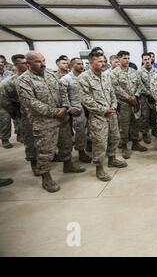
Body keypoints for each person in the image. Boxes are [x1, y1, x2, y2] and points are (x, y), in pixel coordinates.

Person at [17, 52, 85, 193]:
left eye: (43, 60)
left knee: (66, 143)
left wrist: (65, 107)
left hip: (62, 117)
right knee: (45, 151)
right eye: (37, 62)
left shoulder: (51, 74)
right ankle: (46, 177)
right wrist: (54, 111)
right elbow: (31, 103)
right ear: (28, 64)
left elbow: (62, 92)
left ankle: (68, 164)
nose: (42, 64)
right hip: (44, 121)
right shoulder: (23, 81)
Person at [78, 52, 127, 182]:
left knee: (115, 137)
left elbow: (112, 92)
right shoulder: (84, 77)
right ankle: (99, 168)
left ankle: (112, 158)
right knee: (100, 142)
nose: (103, 63)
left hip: (112, 113)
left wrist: (114, 106)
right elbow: (85, 99)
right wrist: (103, 109)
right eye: (100, 61)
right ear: (91, 62)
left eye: (104, 61)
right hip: (98, 116)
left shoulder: (106, 76)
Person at [110, 50, 147, 159]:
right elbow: (115, 88)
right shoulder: (114, 73)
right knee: (124, 125)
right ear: (119, 59)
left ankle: (135, 143)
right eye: (124, 58)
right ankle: (124, 145)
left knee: (136, 122)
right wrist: (128, 97)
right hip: (123, 103)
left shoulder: (133, 71)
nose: (127, 60)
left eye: (128, 58)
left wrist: (135, 96)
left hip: (135, 102)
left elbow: (140, 85)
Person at [59, 57, 92, 164]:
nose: (81, 66)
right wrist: (69, 108)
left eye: (82, 64)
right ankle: (81, 152)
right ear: (72, 65)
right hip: (76, 109)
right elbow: (63, 96)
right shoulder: (65, 79)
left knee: (88, 129)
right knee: (80, 132)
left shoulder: (86, 77)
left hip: (88, 107)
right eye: (78, 64)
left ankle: (88, 146)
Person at [138, 52, 157, 144]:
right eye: (145, 59)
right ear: (142, 60)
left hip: (155, 97)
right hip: (144, 97)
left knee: (154, 115)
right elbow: (140, 85)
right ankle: (145, 133)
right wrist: (148, 93)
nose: (147, 61)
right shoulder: (139, 72)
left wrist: (154, 93)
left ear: (151, 60)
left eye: (148, 59)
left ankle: (154, 130)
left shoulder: (156, 72)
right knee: (145, 116)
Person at [0, 60, 12, 148]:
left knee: (6, 119)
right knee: (4, 120)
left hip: (6, 100)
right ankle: (4, 138)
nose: (1, 64)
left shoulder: (8, 73)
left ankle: (5, 138)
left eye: (2, 62)